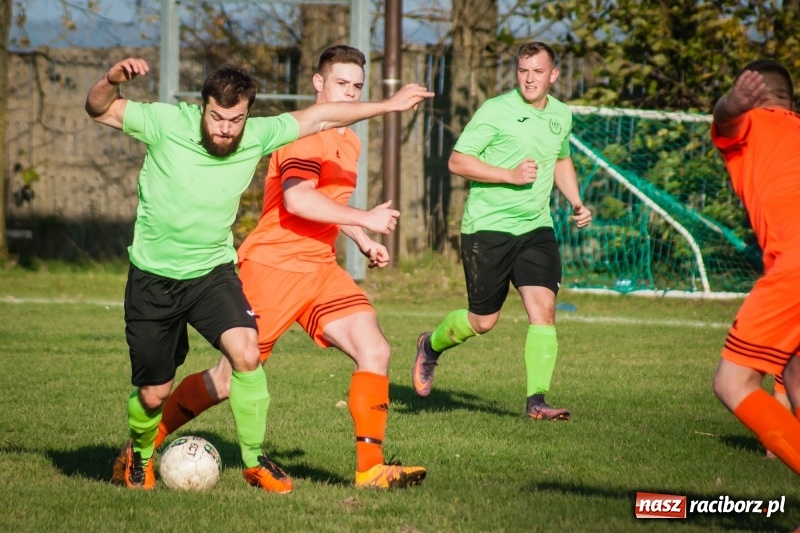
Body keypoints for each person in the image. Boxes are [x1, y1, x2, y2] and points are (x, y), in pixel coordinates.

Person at [88, 56, 433, 491]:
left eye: (356, 84)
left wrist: (360, 238)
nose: (349, 92)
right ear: (317, 82)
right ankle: (143, 445)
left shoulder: (338, 139)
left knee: (375, 349)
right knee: (225, 379)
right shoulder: (301, 140)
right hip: (274, 268)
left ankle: (369, 469)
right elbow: (299, 201)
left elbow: (326, 189)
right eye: (341, 82)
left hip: (318, 268)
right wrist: (365, 218)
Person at [411, 42, 591, 420]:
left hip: (536, 228)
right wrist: (508, 176)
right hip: (488, 228)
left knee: (543, 310)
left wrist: (576, 202)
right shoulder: (495, 110)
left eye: (538, 71)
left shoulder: (561, 114)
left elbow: (561, 160)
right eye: (523, 70)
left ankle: (536, 403)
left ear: (553, 75)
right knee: (483, 321)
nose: (530, 78)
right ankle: (430, 346)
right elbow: (457, 161)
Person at [710, 58, 800, 475]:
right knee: (796, 376)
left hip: (794, 267)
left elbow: (726, 119)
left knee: (733, 383)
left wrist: (730, 103)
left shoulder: (753, 123)